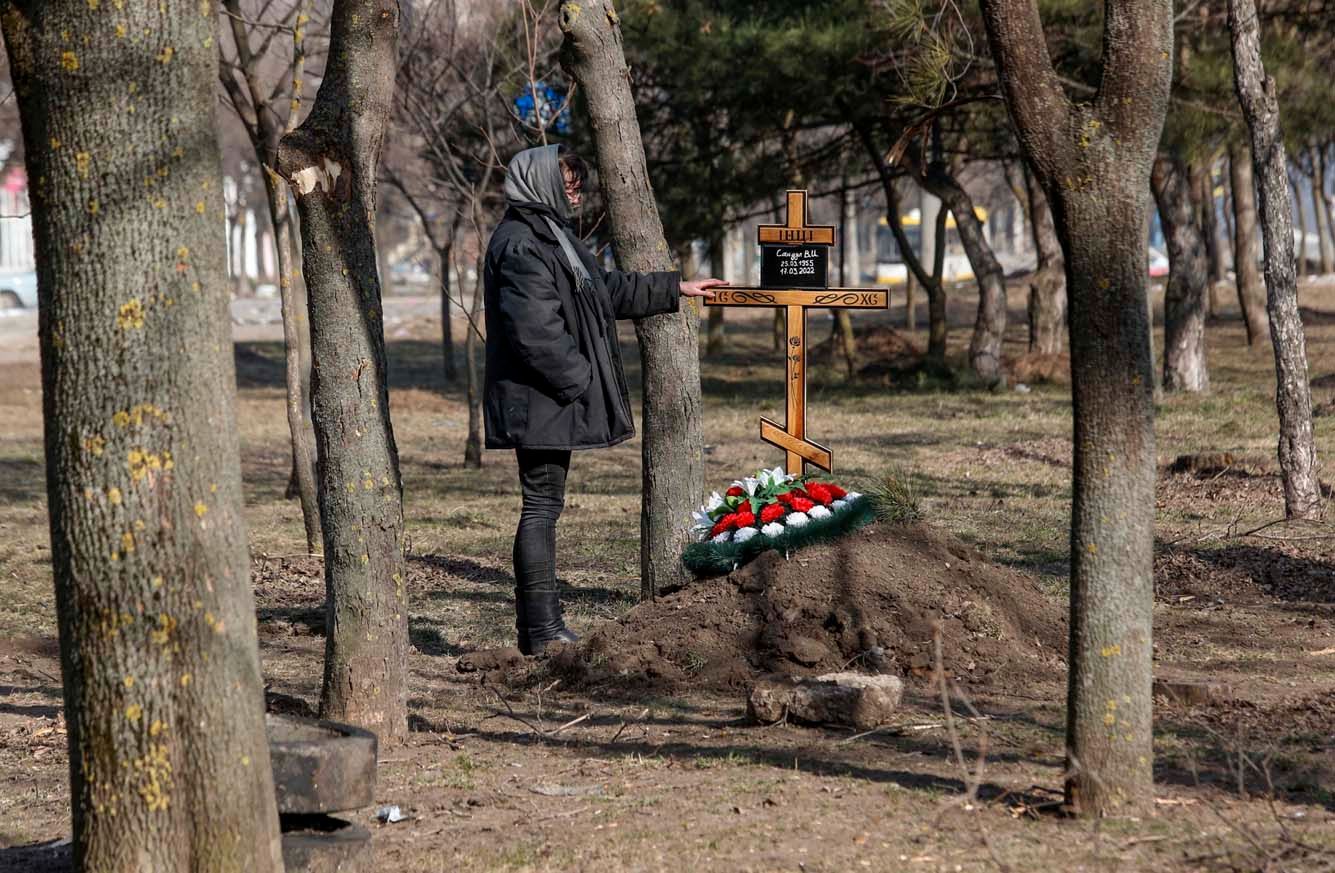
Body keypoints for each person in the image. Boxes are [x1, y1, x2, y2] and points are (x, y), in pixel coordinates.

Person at [483, 144, 725, 655]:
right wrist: (579, 380)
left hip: (547, 399)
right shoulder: (522, 243)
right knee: (541, 505)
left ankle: (538, 631)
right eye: (567, 185)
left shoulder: (553, 236)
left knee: (544, 505)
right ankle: (543, 631)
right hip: (540, 399)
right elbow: (534, 333)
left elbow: (604, 290)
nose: (575, 194)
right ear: (539, 183)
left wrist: (676, 288)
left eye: (577, 186)